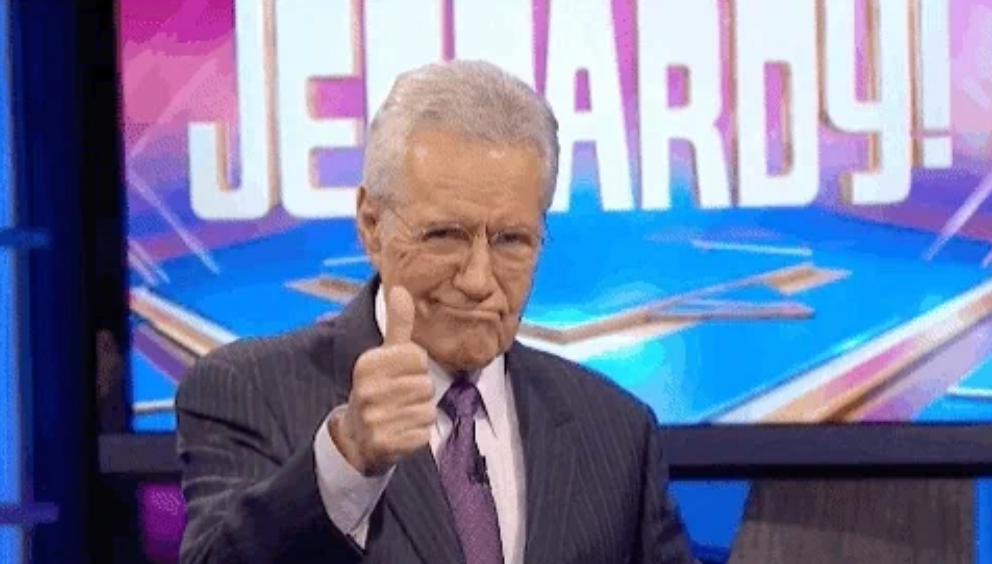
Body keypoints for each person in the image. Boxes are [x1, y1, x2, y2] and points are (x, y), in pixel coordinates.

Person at [176, 60, 699, 564]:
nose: (477, 279)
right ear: (371, 224)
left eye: (511, 240)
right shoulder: (245, 390)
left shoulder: (617, 431)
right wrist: (347, 460)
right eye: (445, 235)